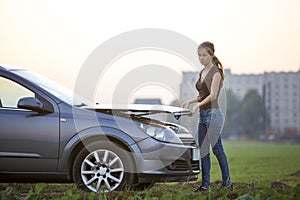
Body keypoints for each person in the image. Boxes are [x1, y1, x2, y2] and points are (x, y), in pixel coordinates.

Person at [183, 41, 232, 191]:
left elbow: (213, 95)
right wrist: (191, 102)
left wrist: (198, 106)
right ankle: (205, 185)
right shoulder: (202, 72)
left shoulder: (215, 73)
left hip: (213, 115)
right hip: (203, 115)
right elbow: (202, 95)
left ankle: (227, 183)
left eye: (204, 55)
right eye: (199, 55)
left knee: (217, 150)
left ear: (211, 55)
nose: (201, 58)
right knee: (203, 151)